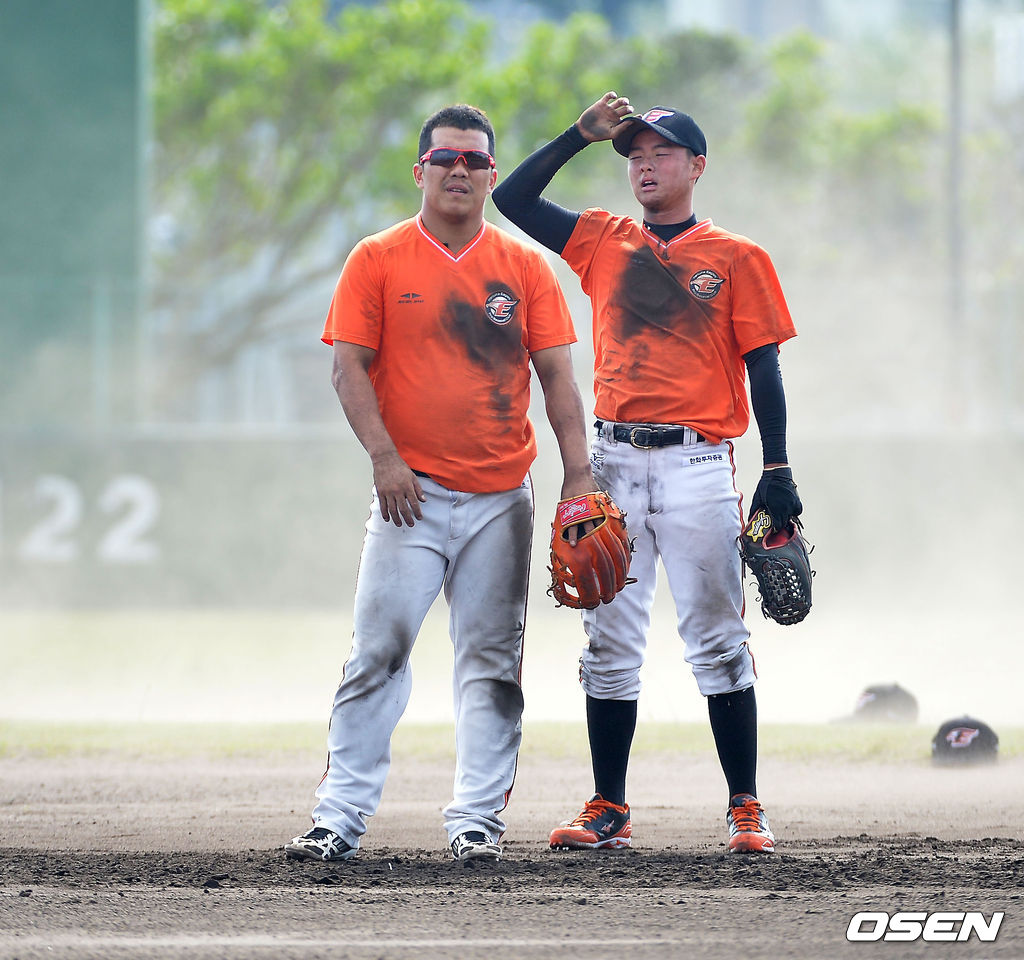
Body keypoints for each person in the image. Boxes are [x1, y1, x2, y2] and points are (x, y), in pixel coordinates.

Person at [492, 92, 802, 854]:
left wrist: (780, 467)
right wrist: (578, 133)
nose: (644, 163)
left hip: (699, 460)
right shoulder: (603, 240)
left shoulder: (737, 257)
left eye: (661, 151)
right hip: (616, 460)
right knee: (609, 638)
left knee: (717, 637)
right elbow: (512, 198)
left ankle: (745, 806)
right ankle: (610, 807)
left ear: (697, 166)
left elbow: (764, 367)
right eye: (633, 153)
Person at [285, 104, 595, 863]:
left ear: (492, 175)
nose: (461, 171)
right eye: (447, 158)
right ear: (419, 170)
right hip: (409, 495)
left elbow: (557, 377)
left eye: (476, 162)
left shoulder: (524, 267)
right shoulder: (379, 257)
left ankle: (476, 823)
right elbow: (346, 366)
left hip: (501, 497)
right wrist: (385, 461)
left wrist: (578, 477)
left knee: (492, 662)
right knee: (377, 653)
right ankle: (339, 819)